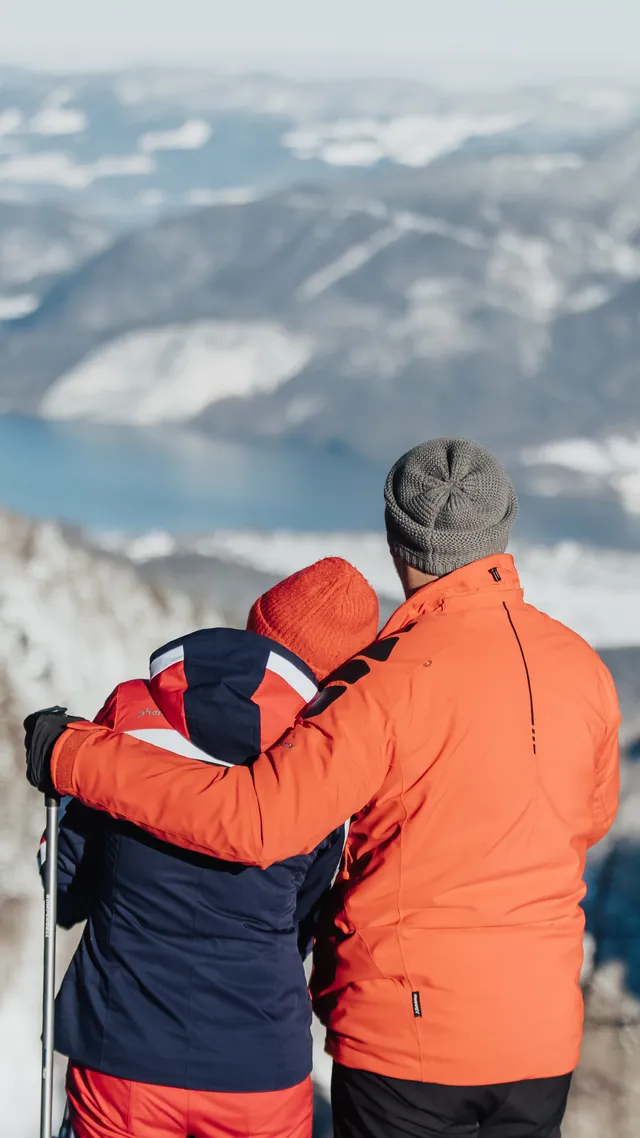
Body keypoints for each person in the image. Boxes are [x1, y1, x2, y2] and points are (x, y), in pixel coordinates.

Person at [27, 438, 621, 1138]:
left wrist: (72, 754)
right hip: (540, 1041)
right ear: (505, 527)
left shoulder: (385, 686)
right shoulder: (583, 669)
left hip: (410, 1040)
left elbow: (254, 821)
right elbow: (589, 817)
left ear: (396, 537)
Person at [35, 558, 379, 1138]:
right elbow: (307, 918)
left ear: (257, 629)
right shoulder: (326, 772)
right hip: (259, 1068)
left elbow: (62, 881)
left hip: (120, 1051)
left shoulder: (128, 720)